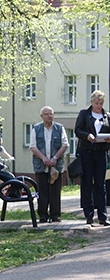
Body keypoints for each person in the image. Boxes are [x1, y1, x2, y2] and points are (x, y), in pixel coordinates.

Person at [74, 90, 110, 226]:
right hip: (86, 152)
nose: (98, 106)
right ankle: (89, 215)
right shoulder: (84, 114)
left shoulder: (107, 116)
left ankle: (103, 216)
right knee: (87, 183)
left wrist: (108, 140)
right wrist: (87, 136)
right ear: (91, 102)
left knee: (101, 185)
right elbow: (77, 130)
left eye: (101, 103)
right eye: (96, 103)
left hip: (101, 152)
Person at [30, 106, 69, 223]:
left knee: (55, 191)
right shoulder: (36, 128)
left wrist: (55, 158)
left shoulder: (59, 128)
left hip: (56, 166)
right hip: (40, 165)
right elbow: (32, 146)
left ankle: (55, 215)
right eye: (46, 114)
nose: (49, 116)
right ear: (41, 116)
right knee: (42, 191)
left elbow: (65, 144)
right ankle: (43, 215)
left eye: (51, 114)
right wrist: (44, 158)